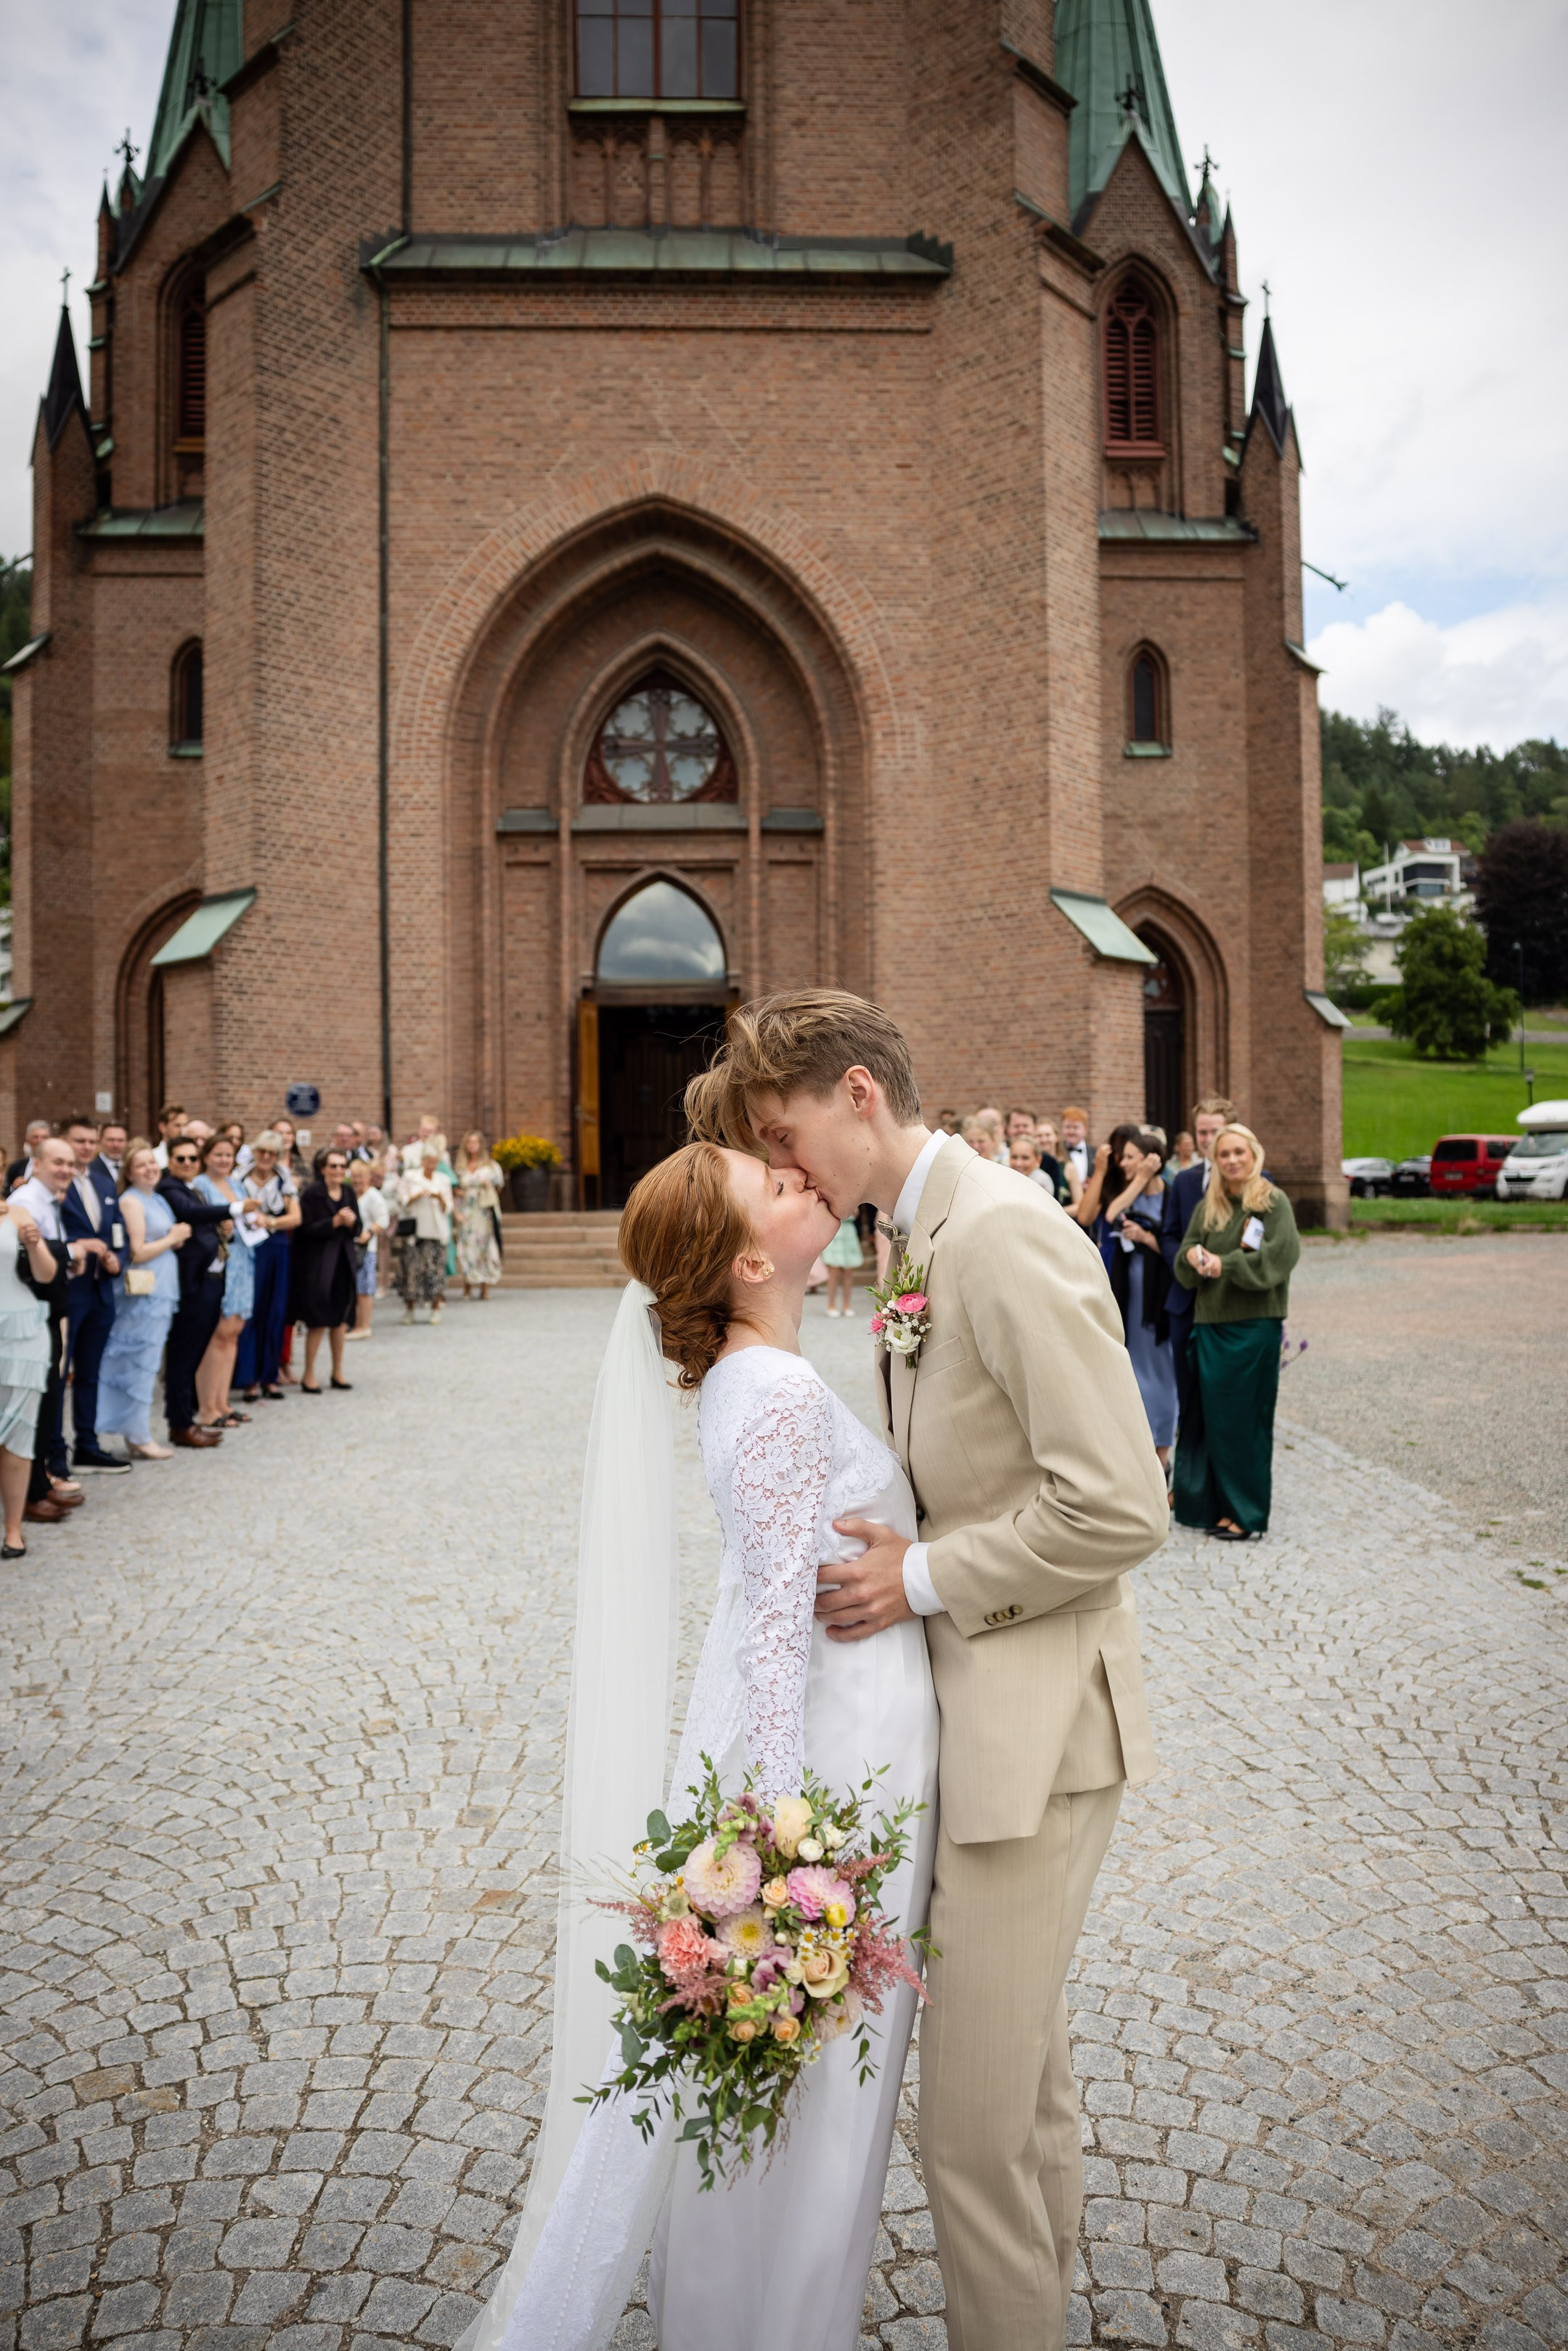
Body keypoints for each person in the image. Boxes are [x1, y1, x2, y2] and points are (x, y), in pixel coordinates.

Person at [688, 990, 1167, 2351]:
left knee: (966, 2138)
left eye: (786, 1138)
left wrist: (917, 1575)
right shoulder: (916, 1236)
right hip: (974, 1724)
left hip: (1036, 1739)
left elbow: (1121, 1504)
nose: (788, 1176)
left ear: (857, 1093)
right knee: (1023, 2100)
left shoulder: (1005, 1235)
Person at [463, 1138, 939, 2351]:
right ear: (743, 1257)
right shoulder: (769, 1391)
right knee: (809, 2115)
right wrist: (785, 1869)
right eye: (773, 1185)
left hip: (834, 1749)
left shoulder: (756, 1369)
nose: (800, 1178)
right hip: (822, 1775)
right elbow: (779, 1632)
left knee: (796, 2103)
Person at [1171, 1122, 1301, 1540]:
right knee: (1210, 1421)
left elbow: (1280, 1258)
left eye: (1239, 1153)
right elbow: (1183, 1258)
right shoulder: (1209, 1207)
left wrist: (1223, 1265)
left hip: (1254, 1326)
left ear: (1254, 1155)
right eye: (1224, 1154)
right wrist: (1193, 1258)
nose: (1231, 1160)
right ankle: (1212, 1507)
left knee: (1244, 1422)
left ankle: (1245, 1515)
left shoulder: (1271, 1202)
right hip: (1211, 1326)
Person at [96, 1140, 189, 1461]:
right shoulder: (132, 1202)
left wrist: (171, 1241)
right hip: (143, 1293)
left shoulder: (157, 1198)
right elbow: (136, 1251)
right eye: (141, 1165)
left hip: (162, 1287)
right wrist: (173, 1238)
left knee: (148, 1362)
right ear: (130, 1172)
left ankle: (136, 1432)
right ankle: (138, 1434)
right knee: (139, 1362)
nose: (150, 1169)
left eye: (152, 1163)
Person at [1098, 1128, 1178, 1478]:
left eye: (1130, 1156)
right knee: (1133, 1370)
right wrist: (1139, 1179)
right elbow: (1111, 1213)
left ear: (1149, 1158)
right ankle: (1139, 1450)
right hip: (1128, 1293)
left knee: (1162, 1372)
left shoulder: (1173, 1197)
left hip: (1159, 1294)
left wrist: (1146, 1237)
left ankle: (1162, 1454)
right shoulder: (1127, 1193)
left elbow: (1178, 1249)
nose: (1123, 1162)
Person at [14, 1138, 85, 1519]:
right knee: (36, 1405)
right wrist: (72, 1252)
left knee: (48, 1400)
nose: (66, 1170)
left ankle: (39, 1482)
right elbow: (29, 1261)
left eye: (71, 1164)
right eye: (58, 1162)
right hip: (34, 1314)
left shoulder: (48, 1199)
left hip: (50, 1310)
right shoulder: (27, 1202)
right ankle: (29, 1494)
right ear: (37, 1163)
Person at [158, 1135, 241, 1450]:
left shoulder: (192, 1187)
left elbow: (205, 1225)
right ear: (170, 1161)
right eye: (182, 1159)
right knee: (182, 1355)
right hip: (193, 1283)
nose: (189, 1164)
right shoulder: (170, 1188)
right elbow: (191, 1214)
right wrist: (233, 1208)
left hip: (212, 1279)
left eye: (193, 1158)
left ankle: (185, 1419)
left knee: (192, 1353)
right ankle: (180, 1424)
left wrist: (225, 1230)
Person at [59, 1113, 131, 1475]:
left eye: (91, 1141)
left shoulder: (104, 1183)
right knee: (58, 1375)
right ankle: (53, 1454)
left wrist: (120, 1258)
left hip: (102, 1289)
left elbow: (118, 1230)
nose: (86, 1147)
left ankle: (87, 1446)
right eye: (79, 1141)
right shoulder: (55, 1184)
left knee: (90, 1372)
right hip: (69, 1292)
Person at [1159, 1094, 1236, 1430]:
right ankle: (1190, 1478)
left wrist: (1224, 1264)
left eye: (1214, 1131)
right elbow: (1169, 1234)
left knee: (1225, 1399)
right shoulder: (1185, 1180)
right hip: (1185, 1302)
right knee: (1189, 1402)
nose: (1207, 1139)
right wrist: (1186, 1257)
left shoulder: (1254, 1181)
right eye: (1202, 1132)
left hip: (1230, 1302)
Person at [0, 1183, 59, 1556]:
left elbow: (46, 1275)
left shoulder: (16, 1214)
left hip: (21, 1333)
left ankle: (13, 1530)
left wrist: (36, 1244)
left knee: (19, 1434)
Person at [194, 1132, 258, 1430]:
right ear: (206, 1156)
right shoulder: (201, 1186)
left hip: (244, 1258)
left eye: (228, 1155)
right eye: (217, 1154)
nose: (223, 1160)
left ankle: (223, 1402)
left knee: (234, 1331)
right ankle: (207, 1407)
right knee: (217, 1333)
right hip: (221, 1260)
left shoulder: (237, 1184)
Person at [235, 1132, 301, 1401]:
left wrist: (271, 1223)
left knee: (275, 1310)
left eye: (271, 1154)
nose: (265, 1158)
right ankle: (248, 1379)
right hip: (248, 1246)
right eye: (261, 1151)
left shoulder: (283, 1179)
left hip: (276, 1247)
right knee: (251, 1310)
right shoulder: (240, 1177)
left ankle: (269, 1377)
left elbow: (296, 1217)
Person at [291, 1147, 361, 1390]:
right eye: (334, 1166)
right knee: (318, 1319)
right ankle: (308, 1374)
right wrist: (332, 1223)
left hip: (343, 1261)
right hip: (318, 1264)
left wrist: (352, 1223)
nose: (339, 1171)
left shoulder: (349, 1192)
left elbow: (358, 1227)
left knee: (340, 1319)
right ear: (323, 1169)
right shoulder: (312, 1194)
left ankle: (338, 1372)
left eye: (343, 1166)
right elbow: (303, 1230)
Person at [395, 1144, 452, 1323]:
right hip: (415, 1233)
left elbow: (448, 1208)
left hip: (436, 1232)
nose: (430, 1165)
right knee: (411, 1272)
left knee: (435, 1272)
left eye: (434, 1162)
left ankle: (435, 1308)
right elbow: (401, 1201)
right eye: (428, 1161)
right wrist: (416, 1195)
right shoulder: (411, 1177)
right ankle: (409, 1309)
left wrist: (439, 1197)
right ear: (422, 1161)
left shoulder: (443, 1180)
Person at [454, 1130, 505, 1299]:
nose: (472, 1146)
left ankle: (485, 1286)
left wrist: (487, 1186)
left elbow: (499, 1188)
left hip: (484, 1212)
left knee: (485, 1248)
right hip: (467, 1212)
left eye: (475, 1142)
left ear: (481, 1145)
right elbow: (454, 1188)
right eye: (469, 1143)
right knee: (467, 1248)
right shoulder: (461, 1166)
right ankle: (467, 1285)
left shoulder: (491, 1166)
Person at [347, 1158, 391, 1337]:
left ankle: (364, 1326)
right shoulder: (350, 1194)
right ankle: (355, 1323)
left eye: (361, 1177)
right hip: (351, 1247)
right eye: (355, 1177)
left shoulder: (373, 1195)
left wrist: (370, 1231)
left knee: (364, 1290)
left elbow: (383, 1220)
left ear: (368, 1177)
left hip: (366, 1249)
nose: (358, 1180)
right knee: (355, 1289)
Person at [820, 1210, 863, 1313]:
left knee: (848, 1271)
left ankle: (846, 1306)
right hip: (835, 1230)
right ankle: (831, 1305)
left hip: (849, 1230)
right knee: (834, 1271)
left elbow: (857, 1213)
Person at [5, 1119, 51, 1193]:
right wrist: (14, 1187)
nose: (40, 1141)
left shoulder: (57, 1166)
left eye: (44, 1137)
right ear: (28, 1140)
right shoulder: (16, 1167)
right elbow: (5, 1192)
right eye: (36, 1137)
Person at [1007, 1128, 1055, 1192]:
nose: (1018, 1163)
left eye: (1025, 1158)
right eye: (1014, 1157)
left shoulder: (1042, 1182)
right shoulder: (1003, 1178)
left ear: (1038, 1160)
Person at [1060, 1104, 1091, 1187]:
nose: (1071, 1131)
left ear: (1085, 1130)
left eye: (1075, 1127)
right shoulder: (1058, 1151)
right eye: (1068, 1127)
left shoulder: (1095, 1153)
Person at [152, 1102, 187, 1168]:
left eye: (185, 1125)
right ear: (162, 1127)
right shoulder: (153, 1157)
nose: (182, 1131)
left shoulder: (192, 1157)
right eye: (177, 1126)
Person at [96, 1121, 128, 1185]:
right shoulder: (90, 1169)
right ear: (100, 1141)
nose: (116, 1145)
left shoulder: (130, 1168)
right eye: (111, 1140)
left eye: (120, 1140)